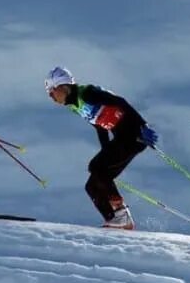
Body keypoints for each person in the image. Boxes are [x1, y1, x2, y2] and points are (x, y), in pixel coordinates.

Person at [45, 66, 158, 229]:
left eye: (52, 92)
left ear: (62, 86)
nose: (51, 97)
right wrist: (106, 150)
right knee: (92, 185)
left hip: (134, 136)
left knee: (97, 168)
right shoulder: (74, 105)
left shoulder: (87, 93)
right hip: (122, 138)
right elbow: (100, 126)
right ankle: (116, 221)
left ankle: (121, 214)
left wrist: (143, 126)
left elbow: (120, 102)